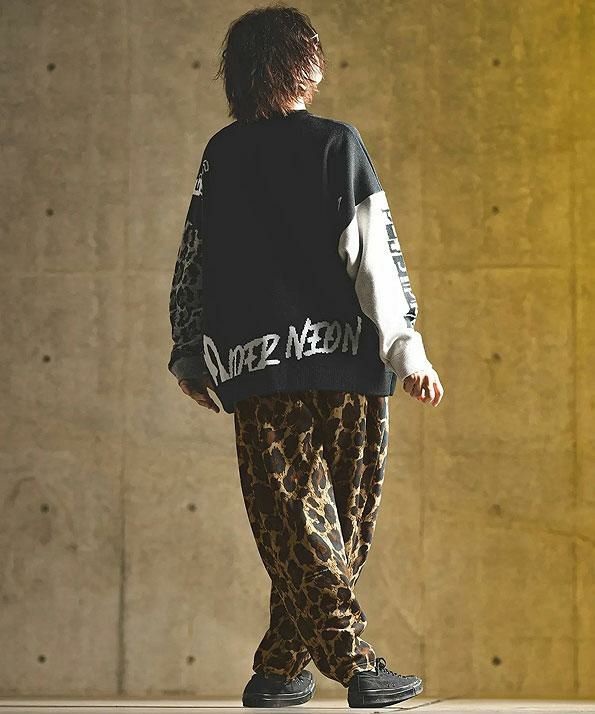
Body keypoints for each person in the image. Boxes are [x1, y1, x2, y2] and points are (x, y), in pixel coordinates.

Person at [167, 4, 444, 708]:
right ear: (297, 61)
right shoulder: (333, 143)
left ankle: (280, 669)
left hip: (259, 368)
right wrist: (405, 349)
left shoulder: (224, 152)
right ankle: (357, 666)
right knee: (324, 529)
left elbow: (194, 259)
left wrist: (190, 350)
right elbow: (374, 256)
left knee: (309, 529)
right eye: (312, 50)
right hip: (349, 368)